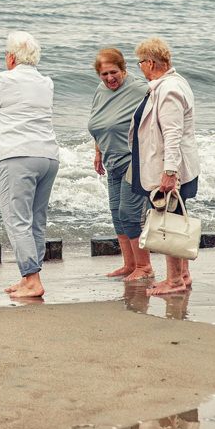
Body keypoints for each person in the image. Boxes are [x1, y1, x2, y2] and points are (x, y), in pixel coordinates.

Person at [0, 31, 59, 299]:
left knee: (17, 220)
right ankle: (28, 277)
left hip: (18, 156)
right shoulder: (46, 83)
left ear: (10, 57)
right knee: (36, 220)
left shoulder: (4, 81)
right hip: (48, 156)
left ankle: (32, 280)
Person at [130, 37, 200, 296]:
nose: (140, 68)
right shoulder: (170, 83)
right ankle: (182, 274)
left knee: (170, 220)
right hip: (172, 165)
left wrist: (170, 172)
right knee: (175, 218)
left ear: (150, 63)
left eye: (140, 63)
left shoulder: (169, 89)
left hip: (171, 168)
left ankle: (174, 280)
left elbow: (173, 134)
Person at [88, 48, 153, 281]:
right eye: (104, 74)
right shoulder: (100, 90)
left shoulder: (140, 88)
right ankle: (130, 264)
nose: (109, 78)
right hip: (111, 160)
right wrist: (98, 152)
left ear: (123, 69)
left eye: (113, 72)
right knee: (116, 213)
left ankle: (144, 267)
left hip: (134, 160)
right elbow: (99, 123)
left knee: (129, 213)